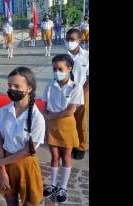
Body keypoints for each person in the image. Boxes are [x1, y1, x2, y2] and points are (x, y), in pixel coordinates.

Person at [0, 67, 45, 206]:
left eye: (17, 86)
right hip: (7, 163)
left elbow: (28, 150)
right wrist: (2, 169)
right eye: (9, 85)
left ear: (29, 88)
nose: (12, 89)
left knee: (29, 202)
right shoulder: (4, 111)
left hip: (26, 164)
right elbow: (0, 139)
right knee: (10, 200)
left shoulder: (37, 118)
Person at [42, 54, 84, 204]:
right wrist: (45, 116)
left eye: (60, 68)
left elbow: (70, 111)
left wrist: (49, 116)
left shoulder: (75, 86)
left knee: (66, 156)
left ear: (69, 69)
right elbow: (44, 105)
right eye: (54, 68)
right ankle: (53, 184)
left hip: (66, 125)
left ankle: (63, 187)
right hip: (52, 126)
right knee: (54, 156)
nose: (57, 71)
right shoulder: (49, 85)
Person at [65, 28, 89, 160]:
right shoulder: (63, 57)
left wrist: (81, 93)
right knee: (68, 120)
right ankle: (71, 143)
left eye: (72, 39)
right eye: (67, 39)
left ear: (79, 40)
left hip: (83, 91)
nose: (69, 42)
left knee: (80, 121)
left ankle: (81, 146)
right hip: (66, 92)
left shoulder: (87, 55)